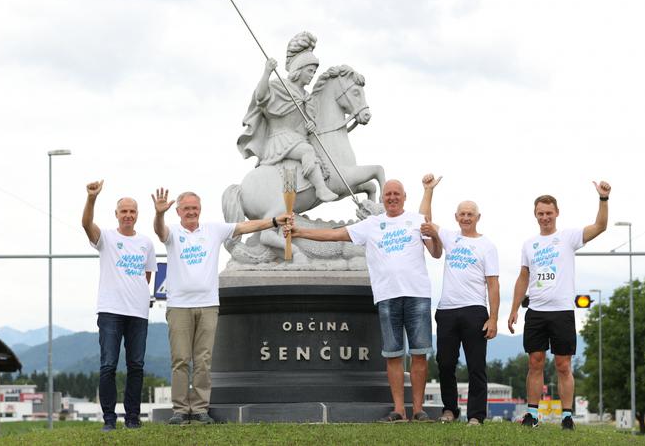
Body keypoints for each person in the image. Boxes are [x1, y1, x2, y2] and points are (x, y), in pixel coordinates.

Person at [285, 179, 442, 422]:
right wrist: (300, 232)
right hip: (387, 296)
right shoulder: (372, 224)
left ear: (404, 196)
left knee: (419, 354)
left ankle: (419, 410)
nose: (391, 197)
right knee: (393, 355)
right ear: (383, 199)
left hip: (417, 294)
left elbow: (436, 252)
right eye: (388, 194)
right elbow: (334, 235)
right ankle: (399, 410)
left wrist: (436, 236)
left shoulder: (417, 220)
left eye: (396, 194)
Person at [152, 188, 290, 425]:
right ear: (178, 211)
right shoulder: (173, 232)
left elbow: (245, 227)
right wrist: (159, 214)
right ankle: (180, 409)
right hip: (179, 306)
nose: (191, 212)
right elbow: (159, 231)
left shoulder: (213, 230)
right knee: (181, 359)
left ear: (200, 209)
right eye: (186, 208)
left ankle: (200, 408)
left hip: (207, 305)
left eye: (195, 208)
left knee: (203, 360)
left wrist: (275, 221)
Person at [508, 181, 611, 430]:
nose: (545, 217)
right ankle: (532, 414)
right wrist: (512, 309)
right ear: (535, 215)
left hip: (562, 311)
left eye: (549, 213)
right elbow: (523, 277)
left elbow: (600, 226)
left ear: (557, 213)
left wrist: (603, 199)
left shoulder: (568, 237)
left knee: (563, 365)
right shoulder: (529, 244)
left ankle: (567, 416)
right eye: (541, 213)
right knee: (535, 362)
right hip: (536, 311)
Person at [419, 174, 500, 426]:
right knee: (445, 363)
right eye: (462, 214)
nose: (466, 218)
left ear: (478, 217)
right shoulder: (450, 237)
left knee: (476, 366)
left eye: (470, 214)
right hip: (446, 310)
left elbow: (493, 284)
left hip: (475, 311)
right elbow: (424, 223)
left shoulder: (487, 246)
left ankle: (476, 415)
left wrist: (494, 318)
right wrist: (428, 190)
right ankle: (450, 410)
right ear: (456, 217)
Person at [81, 180, 157, 432]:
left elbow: (146, 276)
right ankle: (109, 419)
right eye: (123, 211)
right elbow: (86, 225)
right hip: (110, 311)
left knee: (136, 365)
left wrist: (134, 295)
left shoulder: (146, 243)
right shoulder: (107, 238)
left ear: (137, 215)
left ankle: (133, 418)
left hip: (138, 312)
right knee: (108, 365)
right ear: (116, 214)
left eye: (132, 211)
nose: (128, 215)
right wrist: (91, 198)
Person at [237, 31, 338, 202]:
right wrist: (267, 72)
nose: (312, 75)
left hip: (297, 138)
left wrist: (311, 127)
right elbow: (261, 97)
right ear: (299, 70)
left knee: (312, 149)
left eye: (314, 72)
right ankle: (321, 189)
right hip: (280, 139)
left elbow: (307, 124)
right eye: (310, 71)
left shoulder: (306, 97)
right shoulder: (280, 86)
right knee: (307, 150)